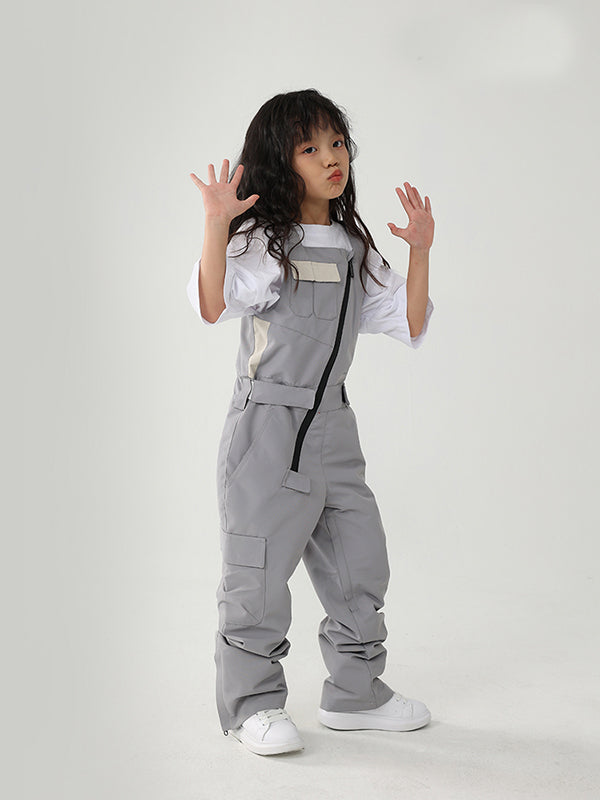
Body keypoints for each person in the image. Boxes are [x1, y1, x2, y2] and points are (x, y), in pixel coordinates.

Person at [186, 88, 435, 757]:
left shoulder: (354, 247)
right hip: (268, 429)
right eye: (310, 147)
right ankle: (251, 706)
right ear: (279, 160)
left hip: (333, 427)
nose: (332, 158)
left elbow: (409, 321)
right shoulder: (263, 243)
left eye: (337, 143)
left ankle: (356, 693)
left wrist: (420, 251)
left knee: (360, 560)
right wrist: (215, 227)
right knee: (258, 572)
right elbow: (211, 304)